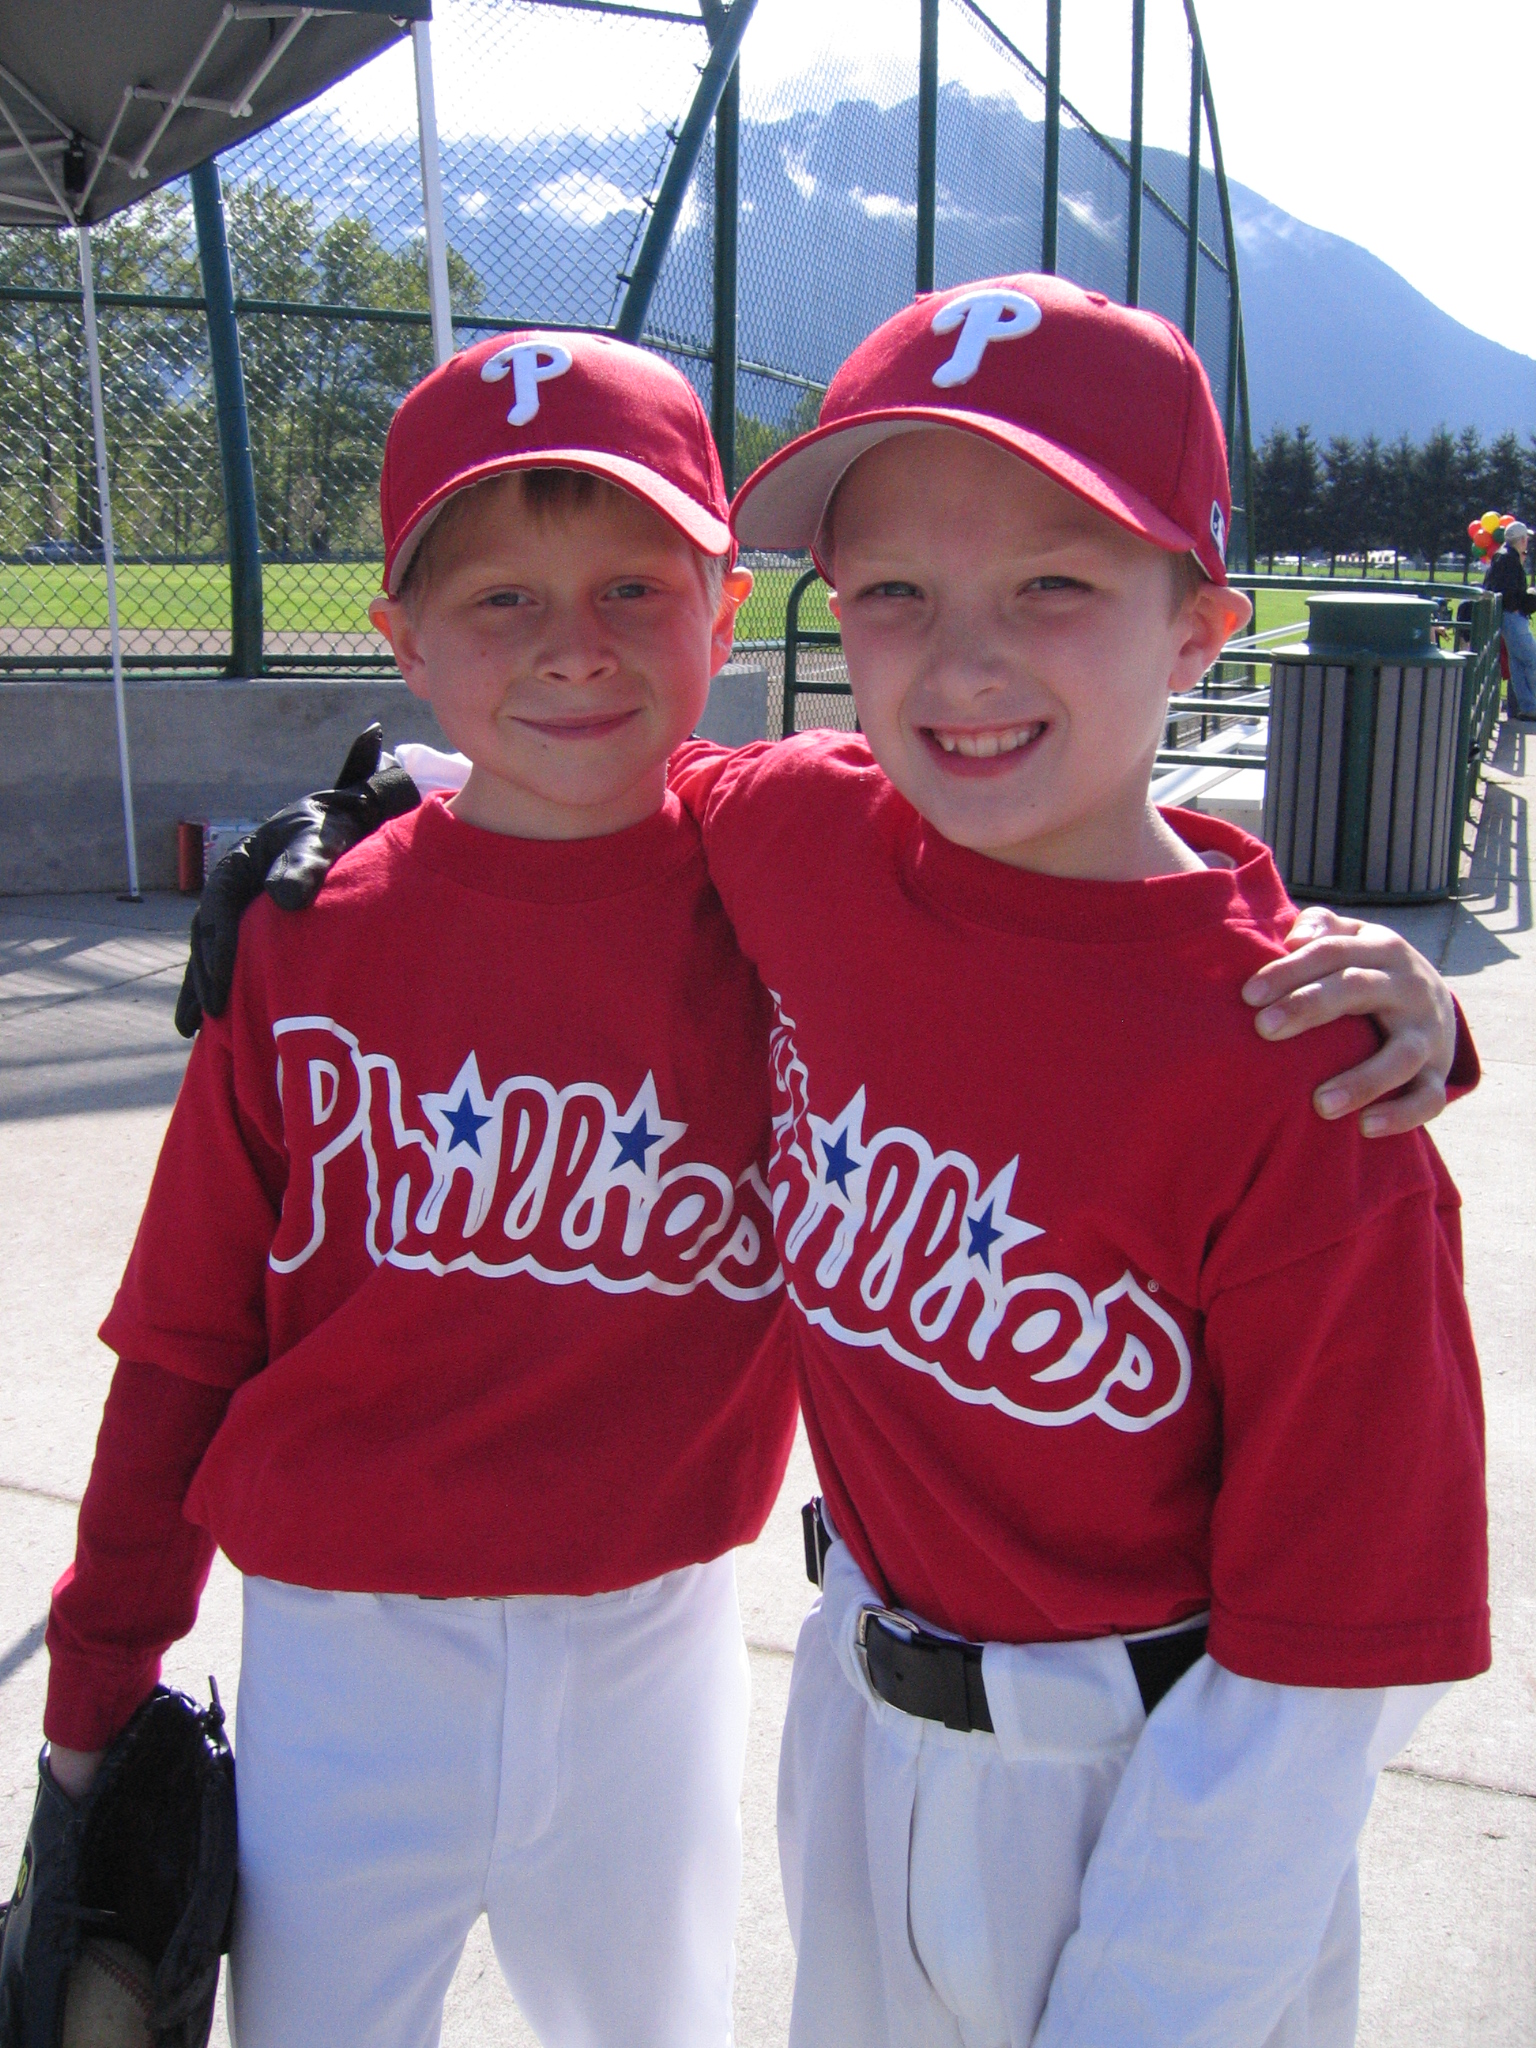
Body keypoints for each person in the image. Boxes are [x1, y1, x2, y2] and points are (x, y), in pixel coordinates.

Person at [655, 275, 1485, 2048]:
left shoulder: (1299, 1071)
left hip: (1158, 1791)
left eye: (1055, 580)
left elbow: (1337, 1646)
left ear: (1198, 627)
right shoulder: (807, 829)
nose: (960, 660)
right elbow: (605, 793)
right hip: (856, 1717)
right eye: (891, 592)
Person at [34, 330, 799, 2048]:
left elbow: (1068, 861)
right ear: (397, 641)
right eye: (499, 601)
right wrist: (96, 1693)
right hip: (341, 1648)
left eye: (629, 584)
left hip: (656, 1637)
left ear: (726, 606)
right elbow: (181, 1341)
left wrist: (1292, 942)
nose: (574, 649)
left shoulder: (803, 890)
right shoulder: (312, 937)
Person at [1481, 518, 1536, 719]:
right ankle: (1530, 705)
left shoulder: (1502, 556)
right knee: (1532, 659)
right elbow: (1510, 592)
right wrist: (1529, 596)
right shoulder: (1509, 559)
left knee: (1518, 663)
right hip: (1512, 616)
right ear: (1521, 540)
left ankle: (1529, 707)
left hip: (1506, 616)